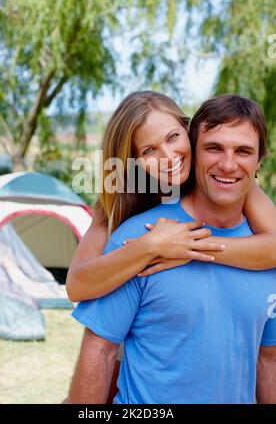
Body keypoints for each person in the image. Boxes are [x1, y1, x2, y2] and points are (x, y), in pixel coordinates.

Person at [67, 94, 276, 404]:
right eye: (149, 150)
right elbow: (77, 287)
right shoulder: (124, 213)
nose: (168, 156)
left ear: (187, 133)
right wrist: (149, 246)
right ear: (134, 161)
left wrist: (188, 245)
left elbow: (268, 357)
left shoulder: (233, 178)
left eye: (173, 138)